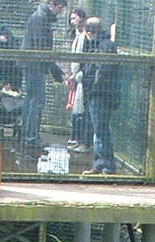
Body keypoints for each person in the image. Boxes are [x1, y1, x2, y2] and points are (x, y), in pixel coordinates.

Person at [20, 0, 67, 149]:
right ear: (54, 5)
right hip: (35, 65)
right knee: (37, 101)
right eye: (61, 8)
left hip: (34, 64)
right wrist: (55, 69)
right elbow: (41, 46)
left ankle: (28, 135)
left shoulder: (41, 16)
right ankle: (31, 137)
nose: (61, 12)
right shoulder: (40, 18)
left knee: (31, 100)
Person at [82, 17, 119, 173]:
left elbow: (102, 72)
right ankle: (100, 163)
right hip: (105, 94)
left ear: (89, 31)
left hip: (101, 95)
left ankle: (106, 165)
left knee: (101, 130)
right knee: (100, 130)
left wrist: (92, 89)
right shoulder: (104, 44)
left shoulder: (103, 46)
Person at [64, 8, 90, 153]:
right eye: (71, 18)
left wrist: (78, 75)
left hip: (83, 77)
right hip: (75, 76)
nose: (72, 21)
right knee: (74, 108)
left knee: (81, 110)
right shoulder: (74, 35)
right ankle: (75, 137)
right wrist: (70, 75)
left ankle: (82, 140)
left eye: (75, 18)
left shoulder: (85, 35)